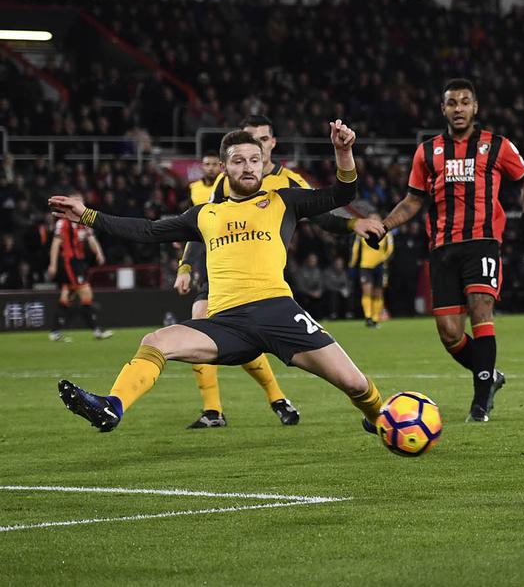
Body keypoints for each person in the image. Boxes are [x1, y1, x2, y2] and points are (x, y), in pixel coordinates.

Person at [53, 121, 389, 442]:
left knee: (355, 384)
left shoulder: (283, 200)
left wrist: (343, 152)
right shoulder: (205, 214)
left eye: (255, 160)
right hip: (228, 323)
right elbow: (147, 230)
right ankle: (112, 406)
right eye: (239, 161)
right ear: (224, 168)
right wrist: (87, 215)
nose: (248, 167)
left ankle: (379, 419)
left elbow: (343, 192)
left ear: (263, 164)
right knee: (156, 341)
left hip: (279, 313)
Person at [173, 115, 381, 429]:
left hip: (268, 277)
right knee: (202, 323)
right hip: (220, 273)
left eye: (263, 139)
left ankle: (278, 398)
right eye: (249, 138)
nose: (257, 145)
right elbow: (201, 224)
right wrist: (186, 266)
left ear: (272, 143)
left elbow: (322, 215)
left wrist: (353, 223)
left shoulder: (289, 182)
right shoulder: (225, 180)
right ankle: (213, 409)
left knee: (247, 338)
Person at [366, 78, 524, 423]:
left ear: (475, 108)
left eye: (464, 102)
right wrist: (384, 226)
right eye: (451, 103)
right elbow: (413, 200)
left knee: (481, 308)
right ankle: (490, 375)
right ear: (443, 109)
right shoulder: (427, 152)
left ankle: (479, 403)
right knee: (449, 332)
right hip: (443, 247)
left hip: (483, 241)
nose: (458, 109)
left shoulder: (497, 145)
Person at [46, 192, 113, 342]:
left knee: (66, 297)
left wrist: (99, 253)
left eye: (80, 201)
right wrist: (53, 264)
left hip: (79, 262)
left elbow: (91, 238)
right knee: (86, 294)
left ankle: (55, 331)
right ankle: (96, 330)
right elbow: (56, 244)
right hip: (70, 263)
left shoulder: (83, 221)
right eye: (75, 201)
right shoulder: (63, 223)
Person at [351, 213, 394, 327]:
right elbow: (355, 249)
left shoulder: (386, 233)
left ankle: (376, 318)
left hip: (380, 266)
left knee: (378, 293)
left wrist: (383, 260)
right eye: (372, 218)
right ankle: (368, 317)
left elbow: (390, 249)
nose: (374, 220)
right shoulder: (362, 233)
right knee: (367, 291)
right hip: (365, 266)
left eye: (376, 218)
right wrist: (352, 263)